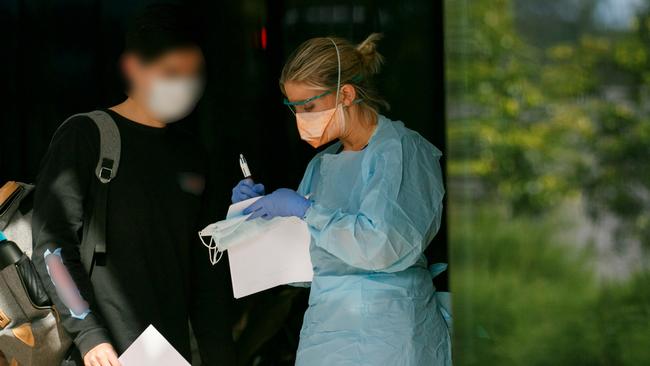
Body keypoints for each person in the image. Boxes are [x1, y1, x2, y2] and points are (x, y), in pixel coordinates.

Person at [32, 4, 234, 366]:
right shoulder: (86, 136)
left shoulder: (194, 157)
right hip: (102, 355)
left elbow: (208, 274)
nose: (185, 85)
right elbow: (52, 248)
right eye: (172, 72)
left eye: (194, 74)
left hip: (168, 356)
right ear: (133, 68)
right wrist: (89, 334)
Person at [231, 34, 452, 365]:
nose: (300, 120)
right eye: (294, 108)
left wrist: (308, 211)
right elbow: (301, 269)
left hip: (390, 335)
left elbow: (382, 246)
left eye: (309, 107)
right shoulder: (322, 166)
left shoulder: (401, 151)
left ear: (346, 94)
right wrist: (257, 217)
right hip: (326, 335)